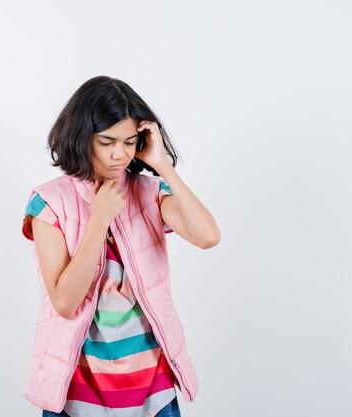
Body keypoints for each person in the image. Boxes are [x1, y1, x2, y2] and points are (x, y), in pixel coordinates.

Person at [21, 76, 221, 417]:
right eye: (107, 142)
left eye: (130, 142)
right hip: (76, 393)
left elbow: (208, 236)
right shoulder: (50, 202)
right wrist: (98, 219)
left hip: (151, 391)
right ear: (82, 138)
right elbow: (65, 302)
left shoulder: (149, 192)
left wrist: (162, 165)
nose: (120, 154)